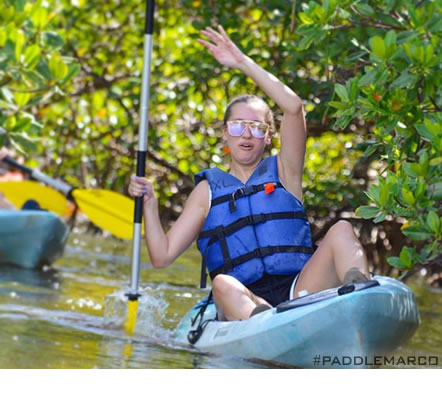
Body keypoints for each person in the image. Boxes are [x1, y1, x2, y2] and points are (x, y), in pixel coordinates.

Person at [128, 25, 369, 321]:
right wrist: (150, 205)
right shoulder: (207, 192)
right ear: (224, 134)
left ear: (269, 136)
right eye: (238, 126)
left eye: (257, 127)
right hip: (246, 301)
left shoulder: (285, 170)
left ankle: (361, 297)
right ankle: (264, 322)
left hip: (300, 290)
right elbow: (161, 256)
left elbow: (293, 108)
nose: (246, 134)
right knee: (222, 283)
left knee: (342, 229)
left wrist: (241, 61)